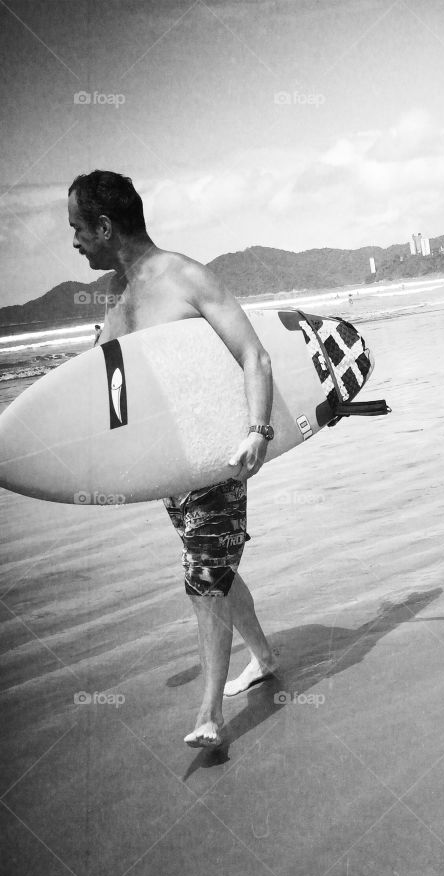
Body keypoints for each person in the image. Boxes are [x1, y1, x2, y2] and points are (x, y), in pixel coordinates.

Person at [68, 170, 275, 750]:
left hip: (217, 455)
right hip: (170, 472)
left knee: (202, 578)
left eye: (77, 228)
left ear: (105, 226)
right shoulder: (115, 293)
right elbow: (110, 381)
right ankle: (264, 655)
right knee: (215, 568)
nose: (74, 240)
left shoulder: (185, 278)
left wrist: (257, 431)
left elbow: (254, 355)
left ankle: (208, 714)